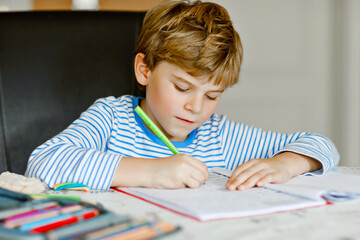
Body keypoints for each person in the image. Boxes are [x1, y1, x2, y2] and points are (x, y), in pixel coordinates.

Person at [25, 0, 339, 191]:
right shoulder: (111, 119)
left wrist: (284, 165)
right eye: (182, 87)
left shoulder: (217, 134)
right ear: (145, 71)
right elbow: (43, 164)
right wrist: (152, 171)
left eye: (213, 95)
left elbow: (321, 146)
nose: (196, 107)